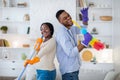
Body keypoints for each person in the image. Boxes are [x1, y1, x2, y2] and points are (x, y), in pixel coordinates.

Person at [55, 8, 89, 80]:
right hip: (69, 71)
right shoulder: (62, 34)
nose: (69, 18)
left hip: (73, 69)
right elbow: (71, 53)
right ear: (60, 21)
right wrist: (84, 43)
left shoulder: (71, 29)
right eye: (65, 18)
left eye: (68, 15)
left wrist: (85, 19)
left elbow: (83, 29)